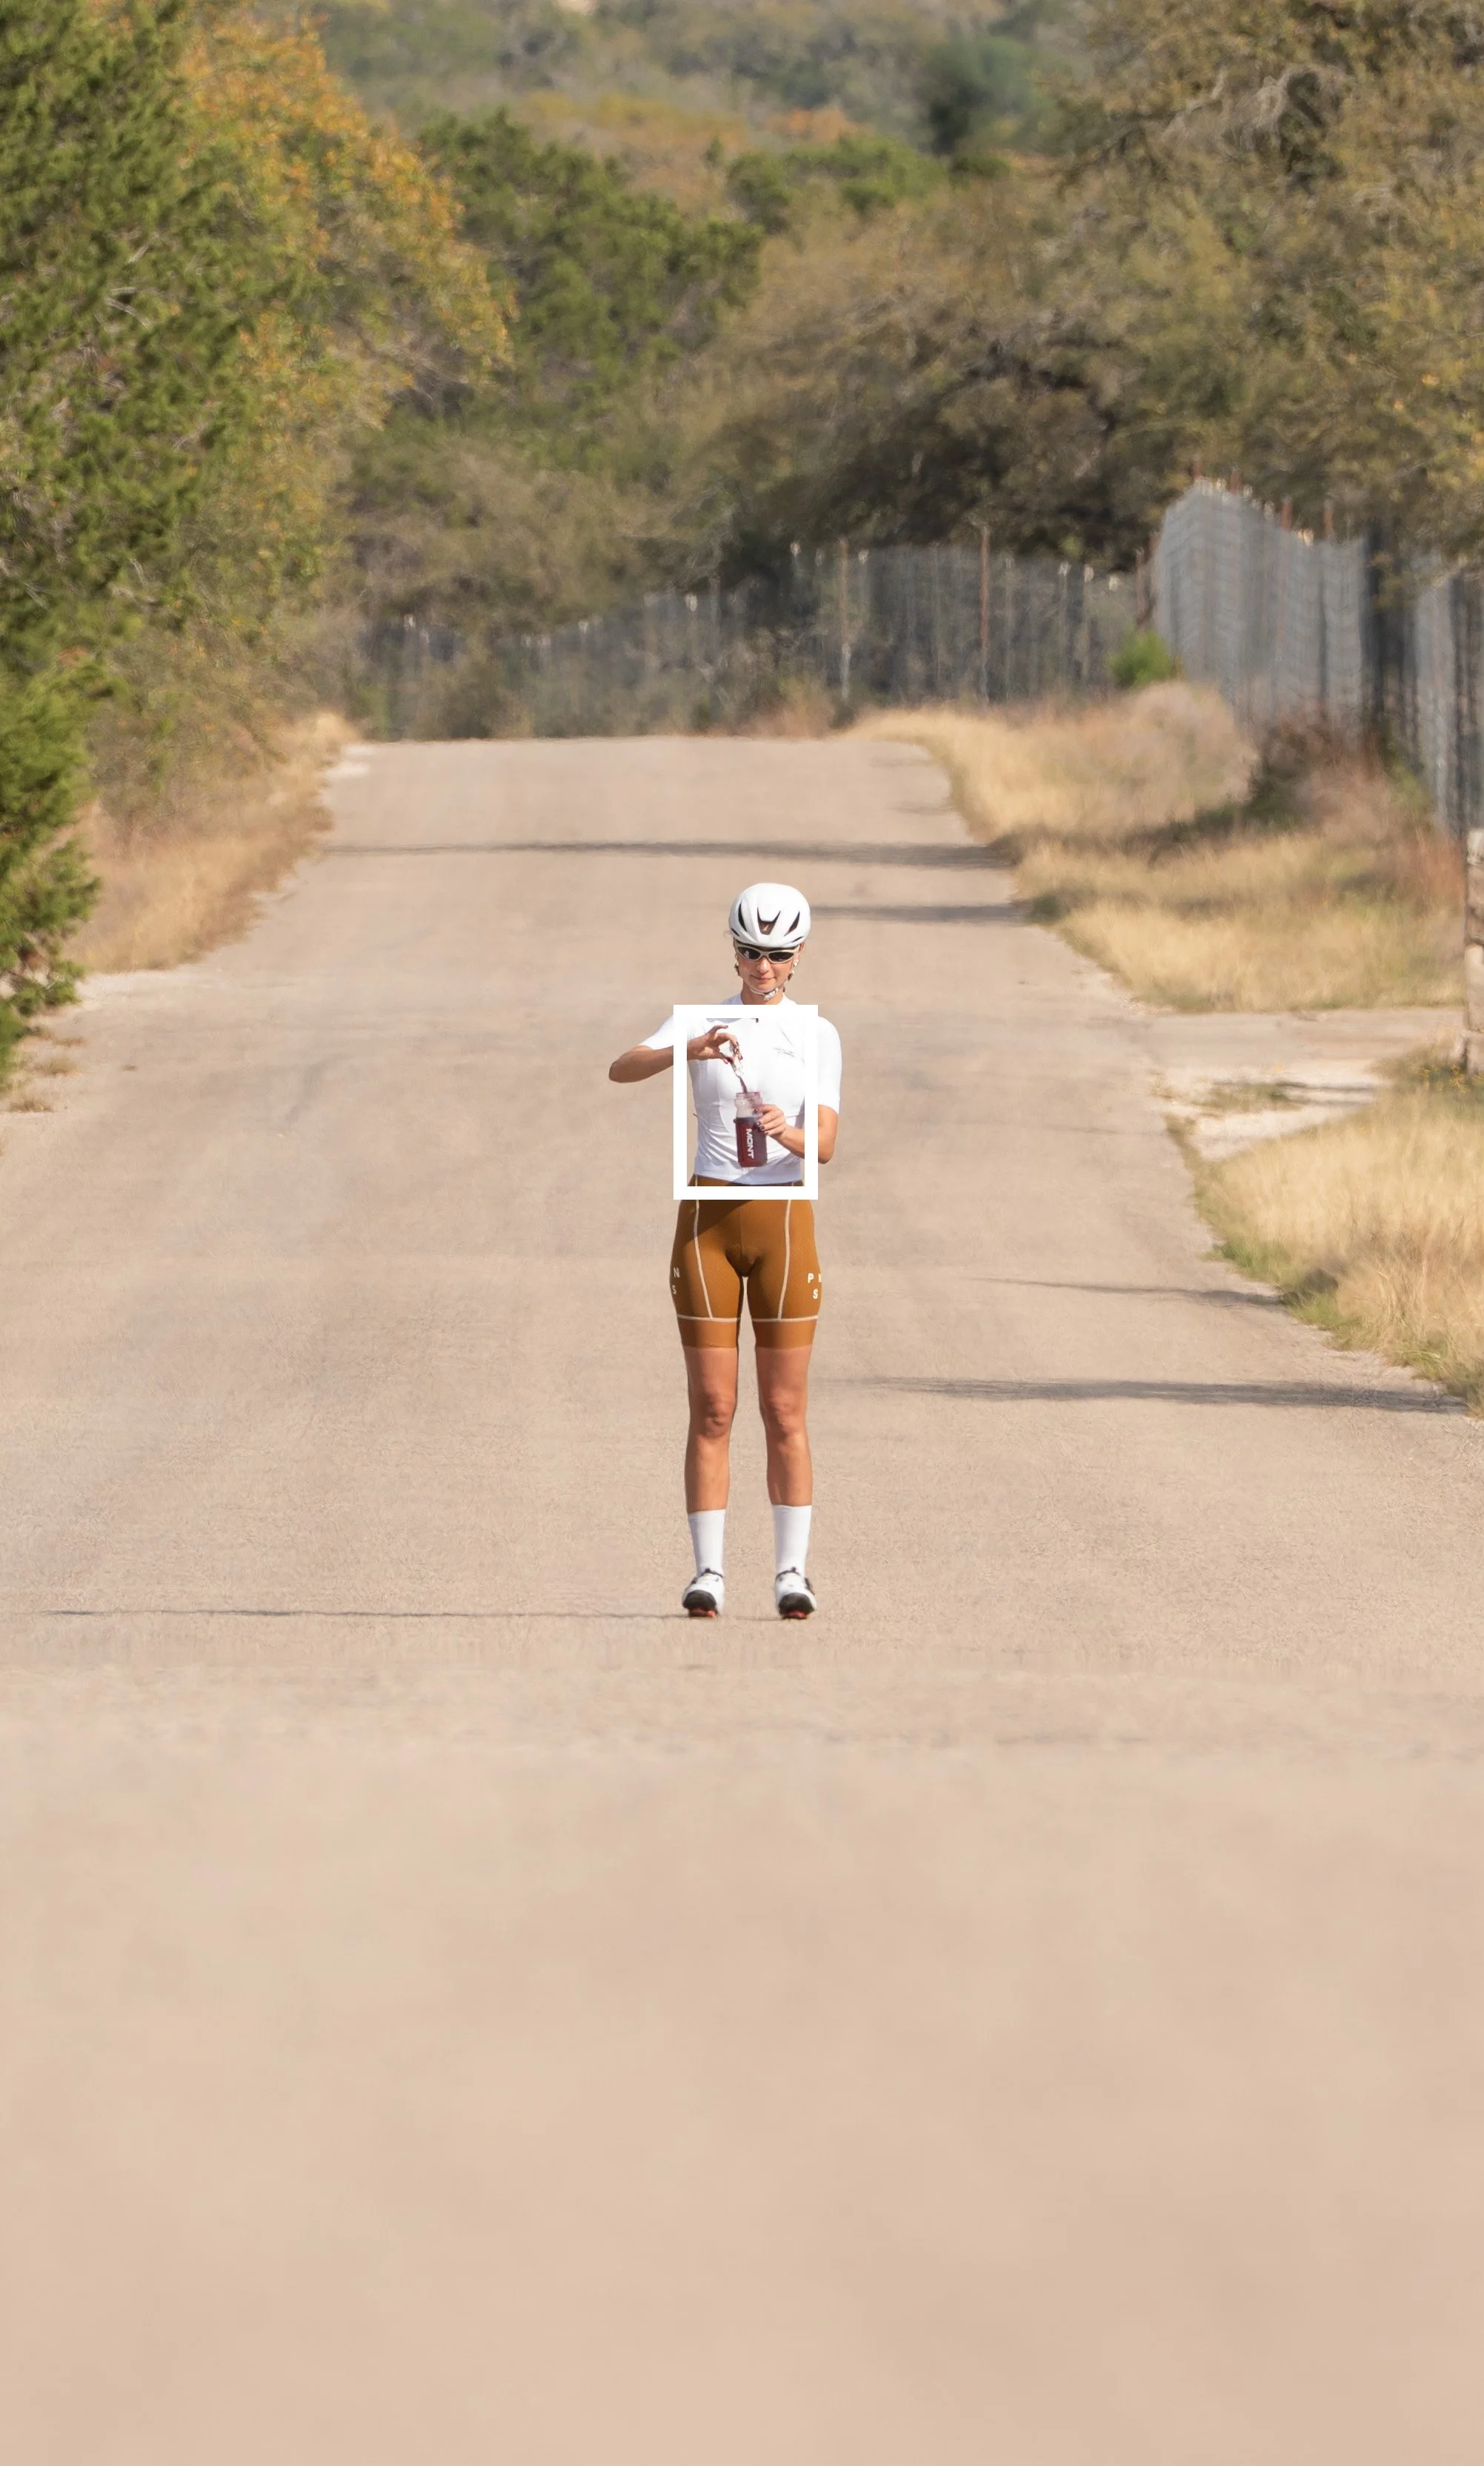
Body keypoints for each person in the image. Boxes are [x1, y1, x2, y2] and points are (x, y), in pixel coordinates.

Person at [608, 883, 842, 1620]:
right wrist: (690, 1047)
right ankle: (707, 1571)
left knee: (783, 1408)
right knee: (712, 1407)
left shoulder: (816, 1034)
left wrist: (785, 1132)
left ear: (797, 957)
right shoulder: (697, 1020)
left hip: (783, 1224)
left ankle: (791, 1573)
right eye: (748, 951)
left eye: (776, 954)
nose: (761, 966)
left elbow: (824, 1144)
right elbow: (622, 1067)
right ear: (732, 951)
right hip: (706, 1222)